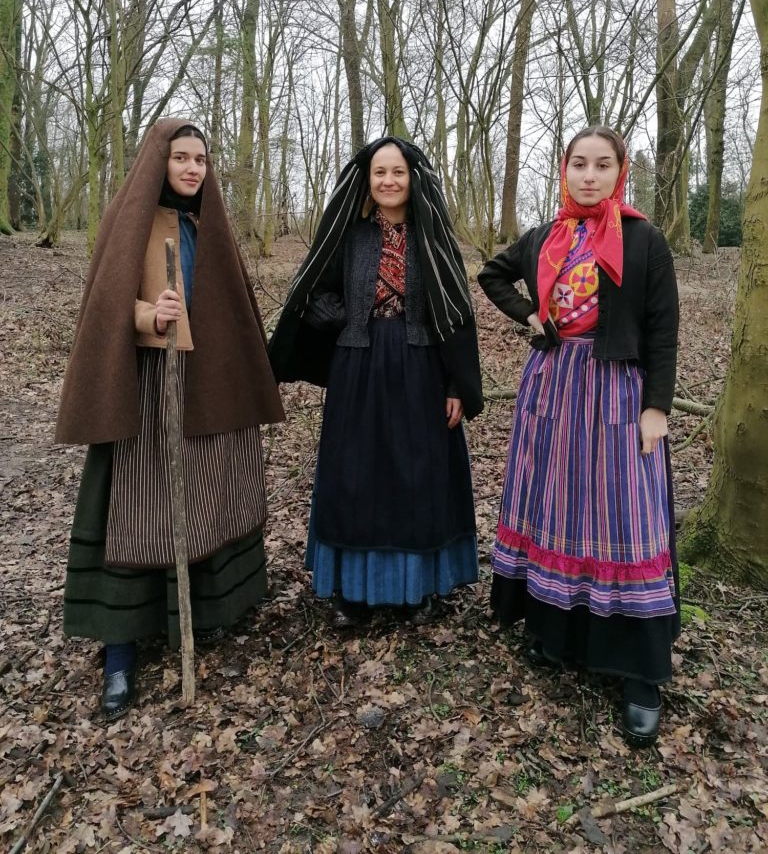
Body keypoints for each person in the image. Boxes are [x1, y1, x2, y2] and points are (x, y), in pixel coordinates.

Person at [56, 118, 284, 720]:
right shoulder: (127, 223)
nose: (191, 168)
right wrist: (149, 315)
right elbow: (106, 309)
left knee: (207, 496)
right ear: (159, 162)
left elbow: (235, 315)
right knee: (139, 506)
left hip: (208, 389)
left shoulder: (211, 229)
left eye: (200, 160)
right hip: (148, 388)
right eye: (180, 158)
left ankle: (202, 617)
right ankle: (121, 648)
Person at [478, 126, 680, 746]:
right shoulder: (546, 236)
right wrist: (530, 317)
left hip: (618, 390)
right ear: (564, 170)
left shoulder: (644, 240)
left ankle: (638, 670)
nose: (589, 176)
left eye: (603, 165)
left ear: (621, 172)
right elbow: (492, 274)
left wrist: (657, 409)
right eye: (579, 165)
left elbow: (663, 329)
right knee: (556, 504)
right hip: (553, 385)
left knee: (623, 513)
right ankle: (557, 633)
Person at [269, 136, 483, 627]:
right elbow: (311, 290)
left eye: (398, 172)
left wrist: (455, 383)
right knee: (355, 476)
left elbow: (456, 314)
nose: (388, 181)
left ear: (414, 179)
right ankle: (353, 593)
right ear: (367, 181)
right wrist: (347, 318)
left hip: (421, 367)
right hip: (358, 368)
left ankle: (420, 586)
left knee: (420, 475)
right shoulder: (351, 234)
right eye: (379, 172)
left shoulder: (434, 238)